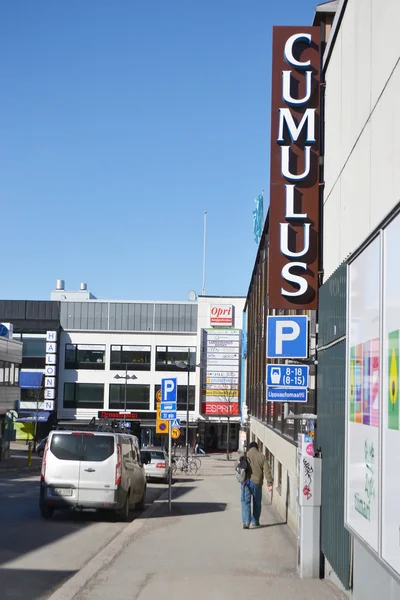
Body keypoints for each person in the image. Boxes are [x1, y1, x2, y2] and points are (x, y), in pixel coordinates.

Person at [241, 441, 273, 529]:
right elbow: (267, 471)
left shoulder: (246, 455)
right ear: (257, 448)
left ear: (249, 448)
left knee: (245, 502)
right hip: (257, 483)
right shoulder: (262, 456)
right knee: (257, 502)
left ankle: (246, 522)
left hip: (246, 482)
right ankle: (255, 521)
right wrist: (269, 483)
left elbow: (238, 467)